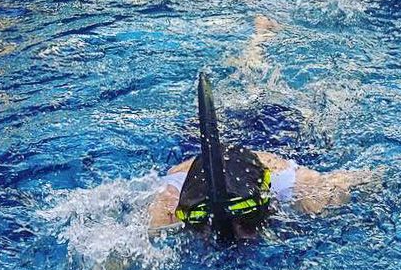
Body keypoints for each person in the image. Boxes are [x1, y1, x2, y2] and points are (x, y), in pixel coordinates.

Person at [148, 72, 375, 239]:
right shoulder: (167, 206)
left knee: (258, 88)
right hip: (199, 149)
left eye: (246, 221)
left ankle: (260, 39)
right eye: (203, 227)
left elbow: (365, 179)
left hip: (273, 138)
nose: (235, 233)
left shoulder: (303, 190)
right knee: (242, 92)